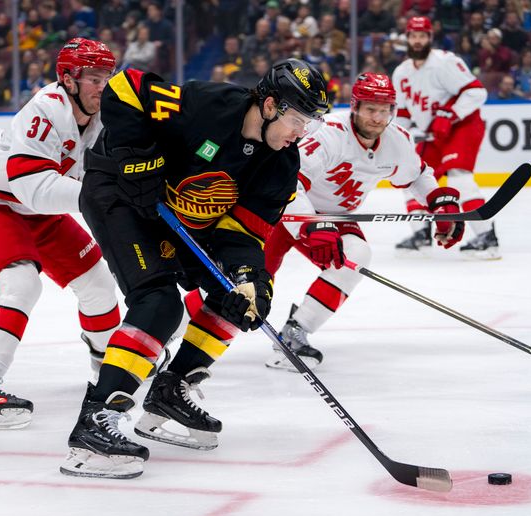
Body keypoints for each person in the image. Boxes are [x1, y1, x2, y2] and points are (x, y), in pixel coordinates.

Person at [59, 58, 329, 479]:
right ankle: (96, 418)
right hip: (118, 194)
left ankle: (170, 388)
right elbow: (126, 87)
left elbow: (243, 233)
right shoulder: (211, 104)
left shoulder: (281, 164)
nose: (301, 133)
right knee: (159, 301)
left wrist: (248, 277)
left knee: (243, 299)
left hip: (179, 217)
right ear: (271, 104)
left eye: (309, 123)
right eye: (298, 119)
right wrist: (137, 158)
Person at [0, 38, 120, 430]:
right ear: (68, 79)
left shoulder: (103, 117)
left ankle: (110, 369)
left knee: (98, 284)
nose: (103, 86)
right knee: (21, 282)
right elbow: (36, 190)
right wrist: (109, 199)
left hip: (36, 208)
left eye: (106, 77)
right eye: (93, 78)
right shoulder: (46, 110)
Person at [262, 73, 464, 370]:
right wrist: (310, 223)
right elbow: (290, 183)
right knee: (242, 282)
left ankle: (295, 333)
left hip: (336, 219)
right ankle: (173, 333)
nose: (378, 117)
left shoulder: (397, 141)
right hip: (285, 211)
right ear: (355, 106)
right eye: (371, 109)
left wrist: (438, 201)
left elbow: (418, 176)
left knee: (356, 256)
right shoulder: (328, 133)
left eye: (385, 110)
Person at [391, 16, 497, 259]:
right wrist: (397, 140)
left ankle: (487, 238)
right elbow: (405, 112)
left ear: (430, 38)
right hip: (433, 132)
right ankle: (421, 234)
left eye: (422, 36)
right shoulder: (401, 73)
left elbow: (476, 91)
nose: (417, 41)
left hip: (462, 126)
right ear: (407, 38)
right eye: (413, 36)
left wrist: (449, 115)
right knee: (411, 176)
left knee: (459, 177)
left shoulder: (445, 62)